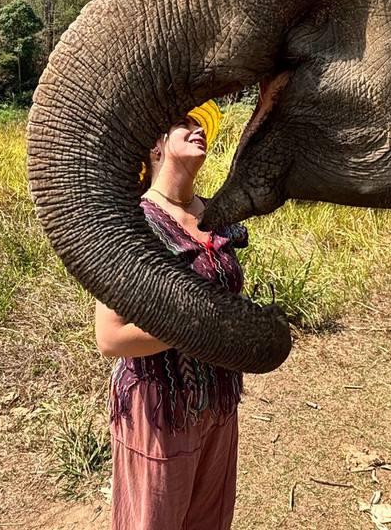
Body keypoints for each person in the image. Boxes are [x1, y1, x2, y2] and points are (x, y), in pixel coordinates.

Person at [95, 101, 247, 530]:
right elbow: (111, 337)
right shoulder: (133, 221)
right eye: (184, 124)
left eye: (202, 125)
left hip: (218, 401)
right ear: (156, 145)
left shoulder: (215, 213)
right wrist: (203, 327)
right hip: (160, 408)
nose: (198, 130)